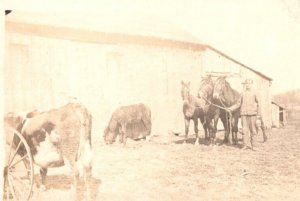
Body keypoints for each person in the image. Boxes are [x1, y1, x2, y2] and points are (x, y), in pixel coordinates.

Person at [228, 78, 260, 150]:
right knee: (244, 130)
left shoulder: (255, 93)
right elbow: (238, 104)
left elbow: (259, 104)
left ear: (251, 84)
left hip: (253, 114)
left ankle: (254, 146)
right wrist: (231, 108)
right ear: (245, 85)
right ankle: (245, 145)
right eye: (247, 83)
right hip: (244, 114)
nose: (248, 85)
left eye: (249, 83)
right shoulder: (242, 93)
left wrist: (258, 115)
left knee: (253, 130)